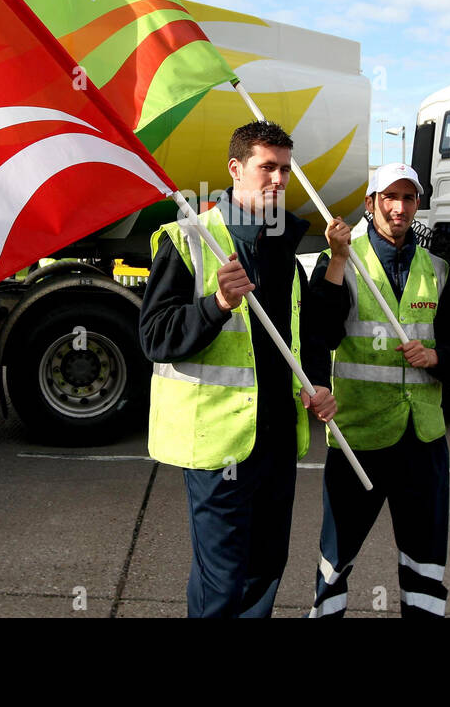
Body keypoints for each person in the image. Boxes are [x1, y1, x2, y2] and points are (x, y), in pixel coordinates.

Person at [138, 121, 336, 617]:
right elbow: (155, 337)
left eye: (285, 170)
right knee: (222, 581)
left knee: (265, 571)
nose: (278, 179)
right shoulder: (188, 240)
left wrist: (319, 384)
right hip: (218, 442)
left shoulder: (285, 249)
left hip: (276, 441)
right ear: (235, 169)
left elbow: (302, 333)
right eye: (266, 167)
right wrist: (217, 304)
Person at [306, 163, 450, 618]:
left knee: (425, 557)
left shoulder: (436, 269)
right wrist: (338, 259)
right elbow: (319, 330)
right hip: (359, 436)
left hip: (422, 441)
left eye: (408, 198)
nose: (399, 208)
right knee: (336, 555)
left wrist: (436, 357)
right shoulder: (341, 257)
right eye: (389, 197)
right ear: (370, 203)